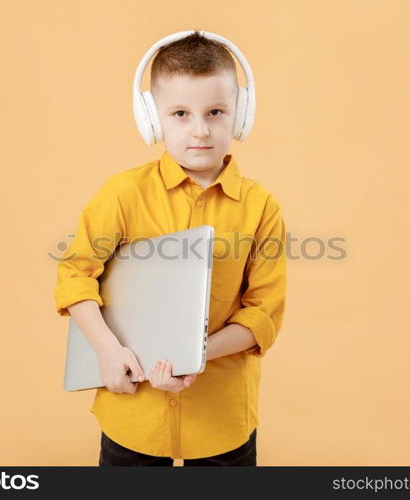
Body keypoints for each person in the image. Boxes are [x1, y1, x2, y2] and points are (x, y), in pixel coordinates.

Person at [54, 30, 286, 466]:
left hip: (222, 420)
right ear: (153, 118)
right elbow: (75, 275)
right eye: (180, 113)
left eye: (216, 111)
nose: (200, 129)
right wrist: (108, 351)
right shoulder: (122, 194)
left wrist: (193, 357)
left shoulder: (261, 208)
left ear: (240, 115)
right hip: (133, 413)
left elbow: (262, 314)